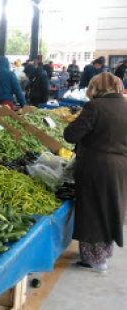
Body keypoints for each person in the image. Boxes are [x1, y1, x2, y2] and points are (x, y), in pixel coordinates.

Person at [63, 72, 127, 273]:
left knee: (93, 211)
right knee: (110, 208)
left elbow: (71, 135)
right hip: (120, 165)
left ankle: (94, 259)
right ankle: (103, 256)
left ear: (96, 88)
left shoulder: (95, 107)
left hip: (96, 167)